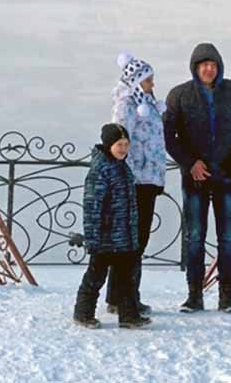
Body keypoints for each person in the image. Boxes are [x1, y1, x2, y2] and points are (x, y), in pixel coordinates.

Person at [164, 42, 231, 314]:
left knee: (227, 236)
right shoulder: (179, 95)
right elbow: (168, 134)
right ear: (195, 67)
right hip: (195, 177)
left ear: (219, 67)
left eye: (213, 65)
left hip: (226, 174)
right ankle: (195, 294)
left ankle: (226, 295)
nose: (209, 69)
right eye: (204, 64)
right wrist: (189, 163)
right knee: (195, 236)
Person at [107, 52, 167, 317]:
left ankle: (122, 296)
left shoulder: (147, 103)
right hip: (136, 179)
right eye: (148, 80)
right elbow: (120, 141)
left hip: (148, 178)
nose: (152, 84)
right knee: (133, 240)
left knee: (136, 239)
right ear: (137, 81)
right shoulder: (128, 105)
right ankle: (125, 297)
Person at [73, 123, 149, 329]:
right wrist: (93, 237)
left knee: (126, 277)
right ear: (108, 145)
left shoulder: (122, 166)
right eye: (119, 144)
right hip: (105, 237)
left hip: (124, 236)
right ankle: (83, 313)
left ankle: (129, 315)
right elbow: (92, 206)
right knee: (95, 276)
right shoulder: (101, 169)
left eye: (126, 144)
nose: (123, 149)